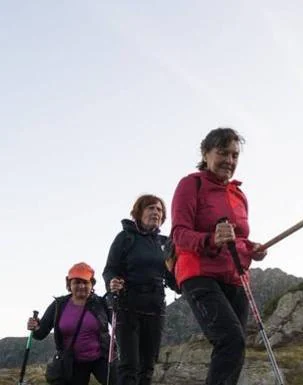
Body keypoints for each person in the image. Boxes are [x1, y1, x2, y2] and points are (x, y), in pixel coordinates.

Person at [170, 127, 267, 385]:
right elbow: (179, 234)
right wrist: (210, 239)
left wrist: (252, 249)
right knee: (230, 340)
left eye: (235, 155)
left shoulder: (238, 194)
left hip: (235, 277)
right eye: (223, 153)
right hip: (199, 274)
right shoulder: (191, 184)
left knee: (235, 347)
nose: (230, 161)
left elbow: (239, 239)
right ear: (206, 153)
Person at [103, 194, 176, 385]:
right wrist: (112, 282)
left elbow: (172, 279)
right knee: (129, 365)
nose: (155, 212)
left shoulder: (165, 243)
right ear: (139, 212)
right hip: (127, 306)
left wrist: (185, 282)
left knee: (148, 366)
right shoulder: (125, 238)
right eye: (150, 208)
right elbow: (110, 269)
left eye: (159, 210)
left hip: (155, 307)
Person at [27, 262, 115, 385]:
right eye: (77, 282)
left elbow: (119, 324)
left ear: (92, 284)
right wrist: (35, 327)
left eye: (85, 282)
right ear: (69, 284)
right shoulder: (59, 305)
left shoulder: (101, 303)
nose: (81, 286)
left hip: (101, 358)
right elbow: (40, 334)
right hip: (72, 362)